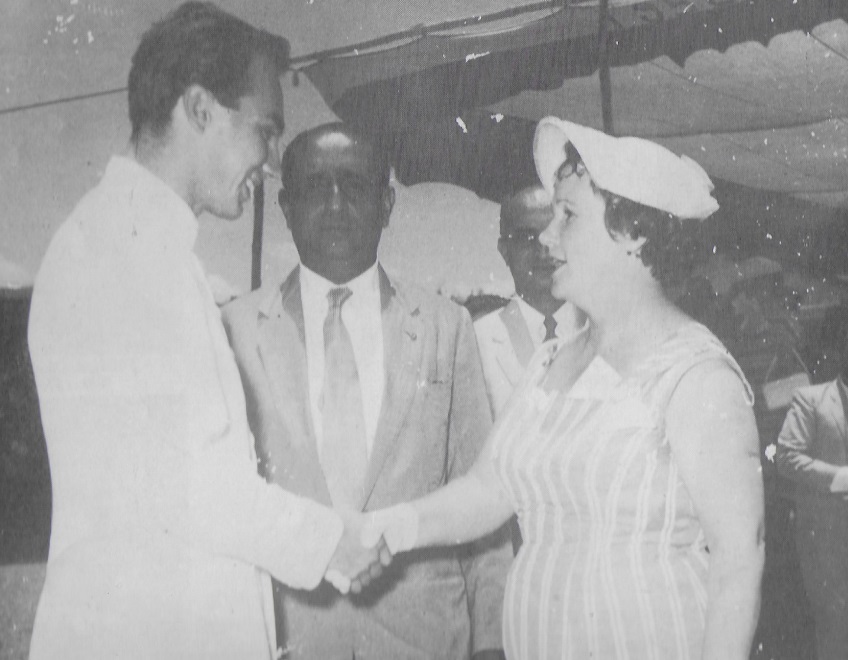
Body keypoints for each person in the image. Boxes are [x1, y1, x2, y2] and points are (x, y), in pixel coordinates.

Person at [26, 5, 386, 659]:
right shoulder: (118, 252)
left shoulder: (150, 250)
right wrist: (331, 540)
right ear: (198, 109)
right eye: (264, 130)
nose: (271, 161)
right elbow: (186, 491)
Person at [363, 117, 765, 660]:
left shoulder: (696, 376)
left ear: (633, 232)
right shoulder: (552, 360)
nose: (548, 236)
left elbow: (739, 563)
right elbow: (488, 490)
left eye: (568, 215)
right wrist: (387, 528)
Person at [223, 122, 511, 660]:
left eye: (354, 185)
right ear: (285, 207)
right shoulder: (235, 331)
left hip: (426, 642)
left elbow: (482, 501)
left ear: (387, 205)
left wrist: (492, 643)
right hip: (293, 641)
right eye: (315, 187)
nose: (335, 205)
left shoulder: (446, 326)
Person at [474, 185, 586, 419]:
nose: (543, 250)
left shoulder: (602, 327)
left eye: (554, 232)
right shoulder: (477, 340)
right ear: (505, 251)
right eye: (526, 238)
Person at [775, 330, 848, 660]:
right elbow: (786, 457)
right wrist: (839, 477)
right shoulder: (810, 399)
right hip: (828, 542)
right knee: (836, 627)